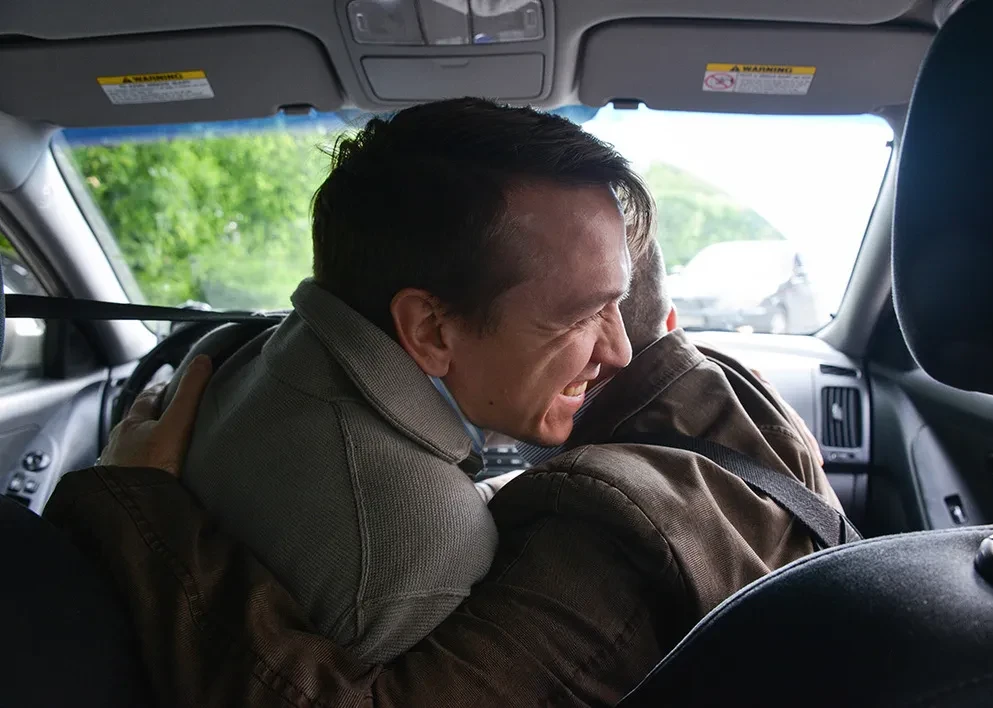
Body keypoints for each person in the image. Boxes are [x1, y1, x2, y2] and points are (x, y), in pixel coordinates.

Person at [45, 240, 842, 707]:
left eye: (582, 316)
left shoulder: (611, 524)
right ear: (672, 323)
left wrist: (140, 507)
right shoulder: (747, 409)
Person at [170, 98, 652, 663]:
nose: (620, 352)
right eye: (581, 315)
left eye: (616, 304)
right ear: (430, 330)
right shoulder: (419, 551)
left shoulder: (238, 354)